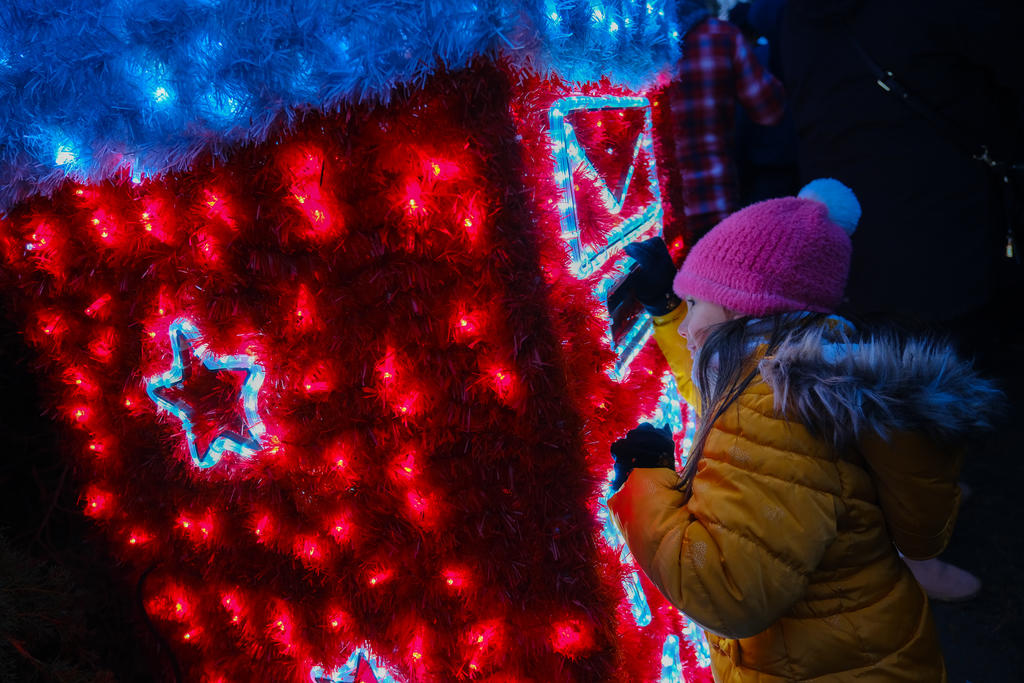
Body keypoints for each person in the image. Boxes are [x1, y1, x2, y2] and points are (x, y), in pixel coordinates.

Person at [608, 179, 1001, 681]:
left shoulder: (777, 411)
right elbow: (723, 392)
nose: (687, 327)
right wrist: (667, 311)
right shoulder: (818, 373)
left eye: (695, 301)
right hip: (873, 651)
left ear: (740, 306)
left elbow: (728, 591)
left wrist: (644, 481)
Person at [780, 0, 1024, 601]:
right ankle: (909, 553)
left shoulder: (790, 17)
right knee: (911, 401)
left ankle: (919, 514)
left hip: (853, 237)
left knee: (887, 397)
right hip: (933, 234)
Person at [662, 1, 785, 242]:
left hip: (657, 219)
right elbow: (770, 110)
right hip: (714, 205)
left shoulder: (640, 42)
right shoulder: (721, 36)